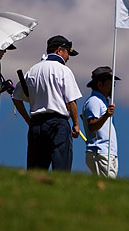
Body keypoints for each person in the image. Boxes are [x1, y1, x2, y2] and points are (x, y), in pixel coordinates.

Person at [13, 35, 82, 171]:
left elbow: (16, 97)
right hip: (58, 124)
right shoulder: (64, 70)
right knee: (61, 171)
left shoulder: (33, 70)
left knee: (35, 172)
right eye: (67, 52)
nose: (68, 57)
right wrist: (76, 124)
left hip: (36, 125)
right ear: (59, 50)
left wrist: (29, 120)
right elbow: (71, 102)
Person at [82, 66, 121, 178]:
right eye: (110, 83)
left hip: (108, 152)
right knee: (109, 188)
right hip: (99, 151)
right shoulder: (94, 101)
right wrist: (106, 115)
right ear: (100, 84)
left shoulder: (103, 102)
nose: (113, 87)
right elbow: (92, 126)